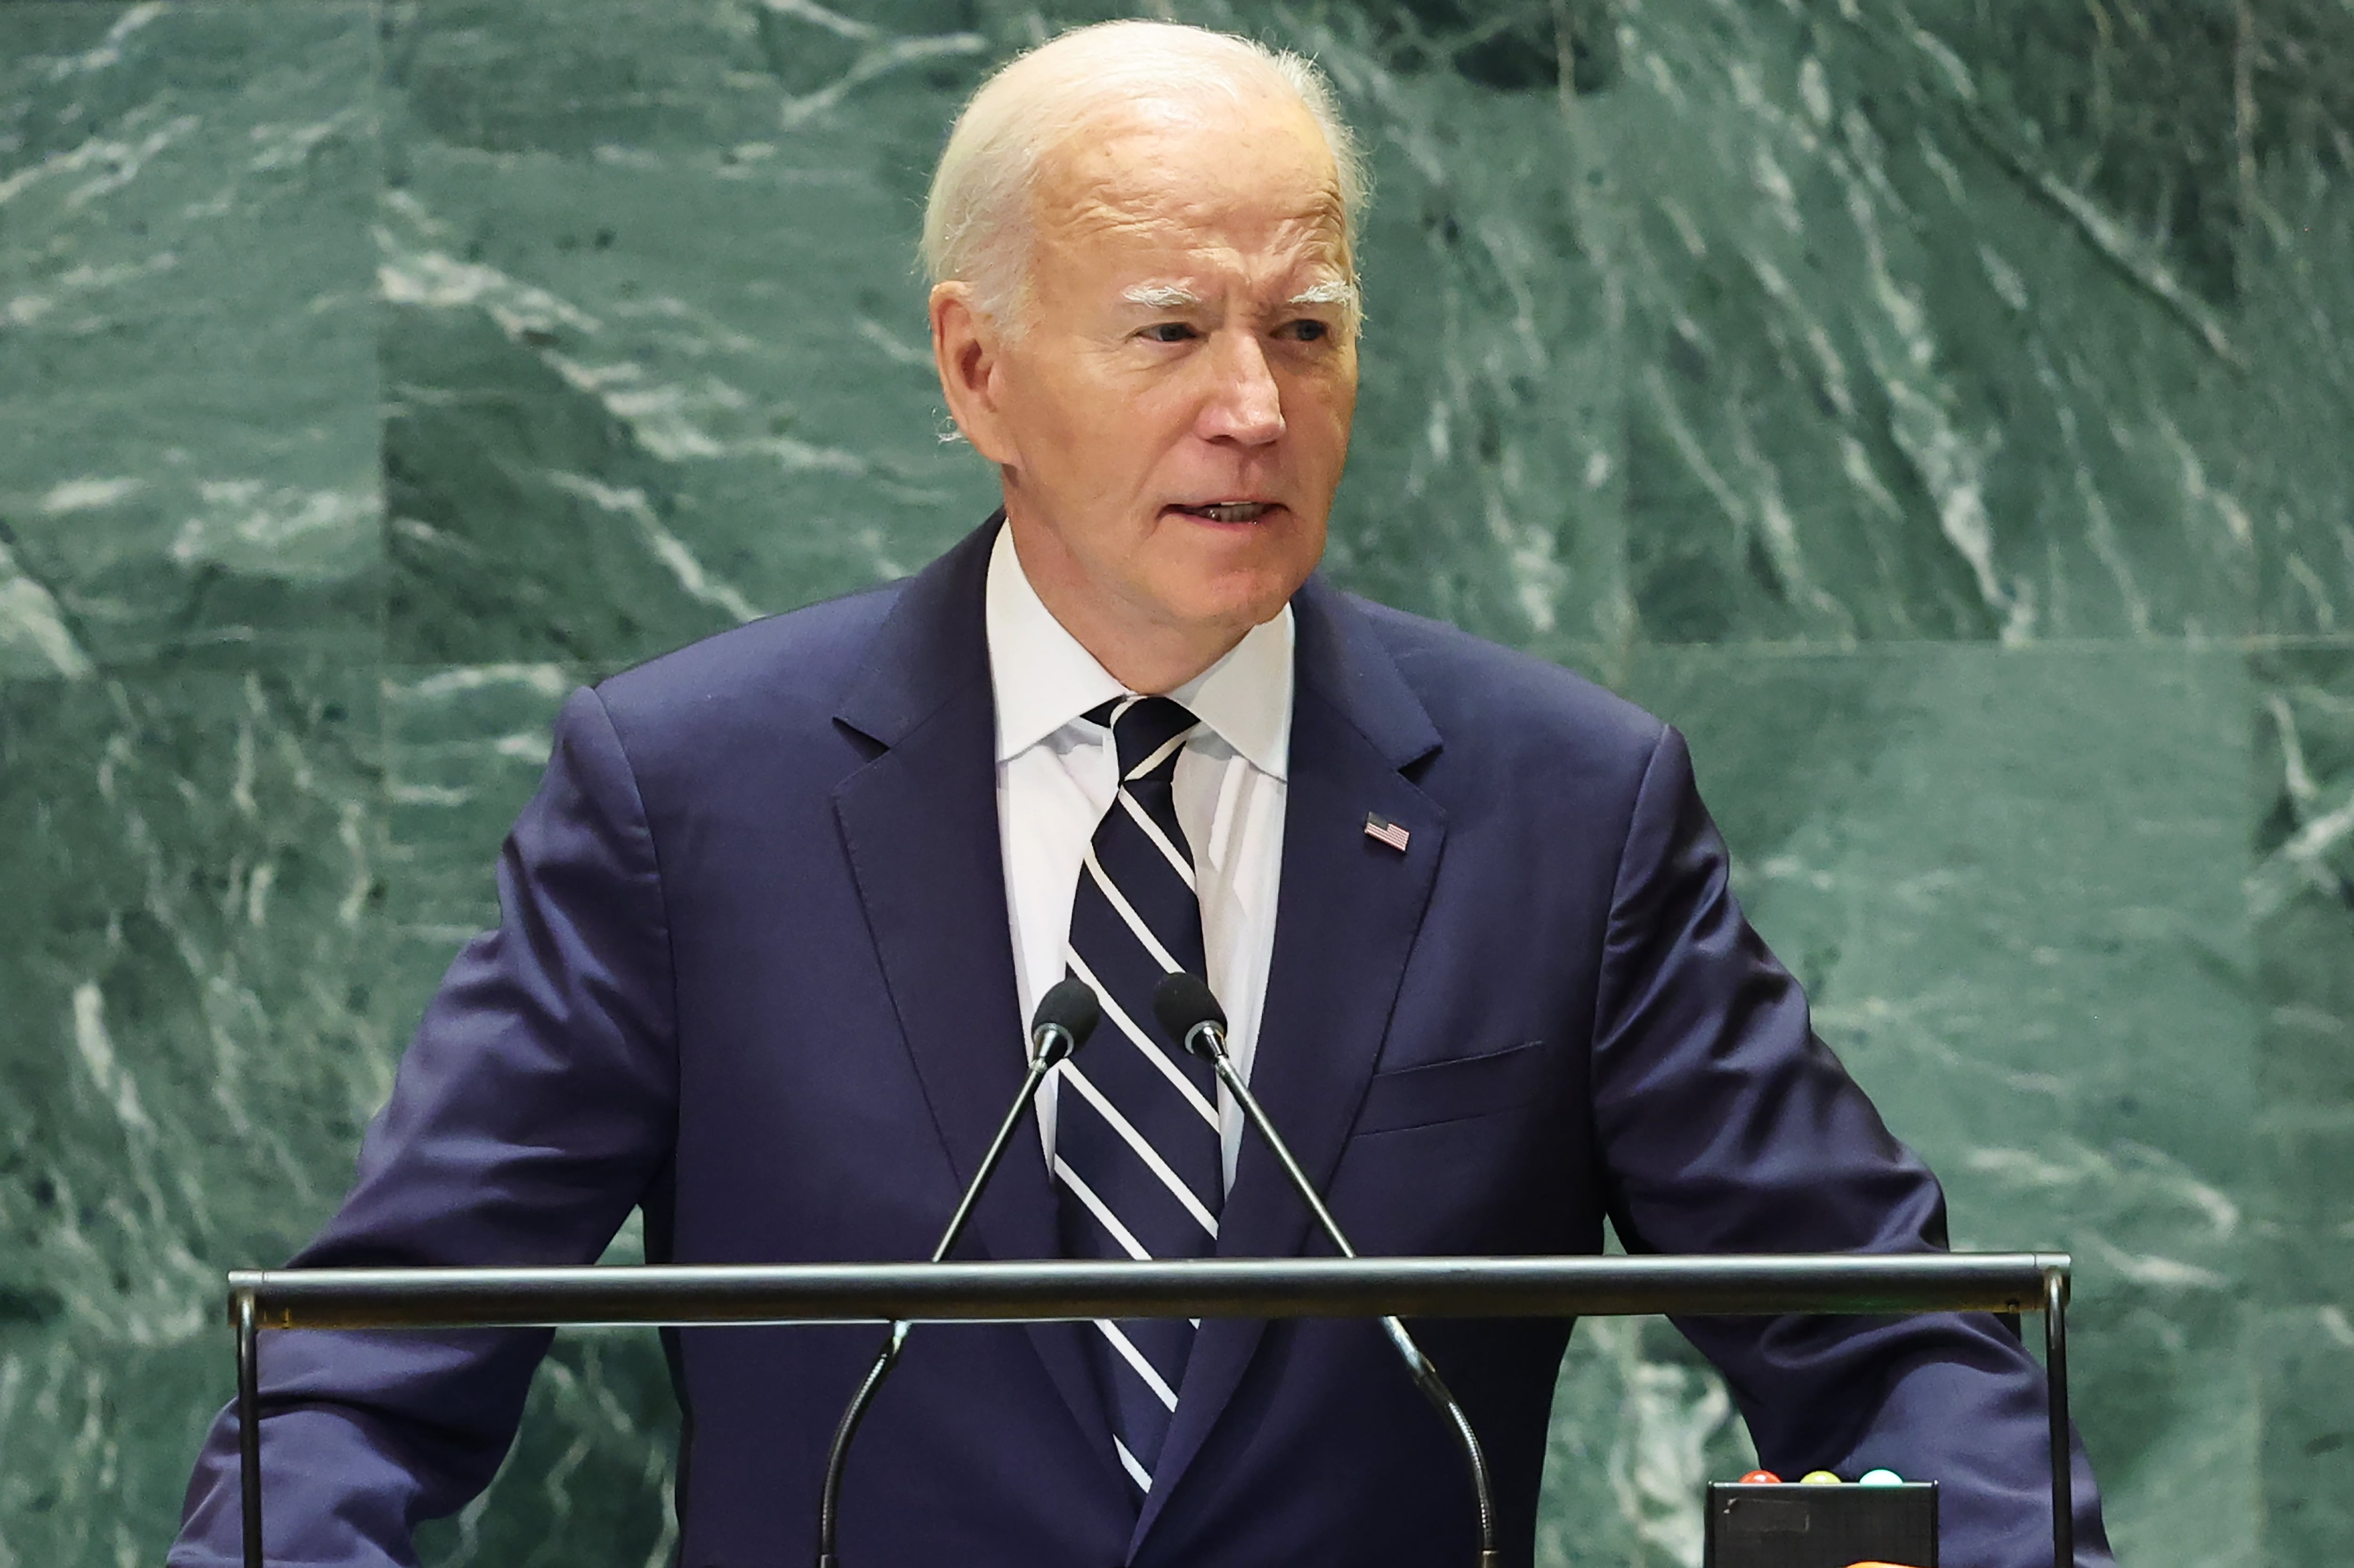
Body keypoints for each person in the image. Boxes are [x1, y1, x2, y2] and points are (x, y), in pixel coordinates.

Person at [170, 21, 2112, 1568]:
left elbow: (1895, 1345)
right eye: (1173, 329)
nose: (1254, 407)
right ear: (978, 368)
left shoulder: (1559, 808)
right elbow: (362, 1370)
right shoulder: (691, 796)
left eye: (1308, 330)